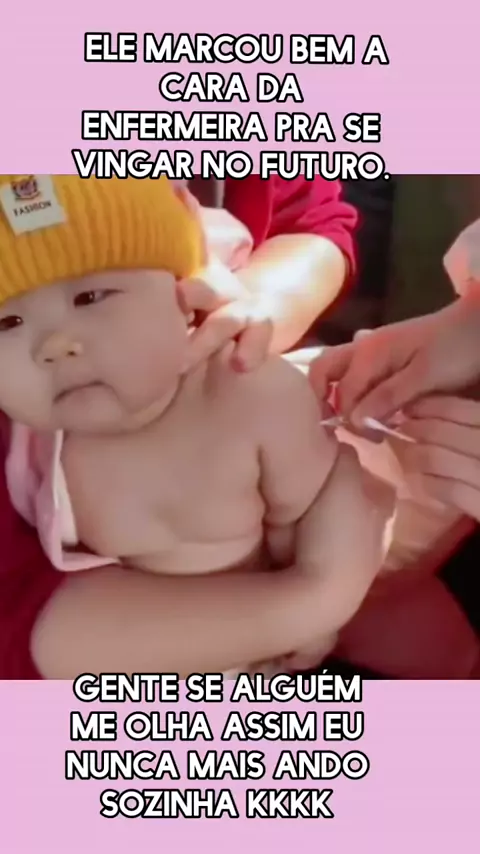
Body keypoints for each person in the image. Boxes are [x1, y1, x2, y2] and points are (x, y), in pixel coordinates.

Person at [0, 172, 361, 679]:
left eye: (92, 298)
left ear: (186, 295)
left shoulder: (251, 395)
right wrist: (299, 612)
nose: (54, 345)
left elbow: (311, 512)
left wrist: (319, 608)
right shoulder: (33, 456)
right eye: (7, 323)